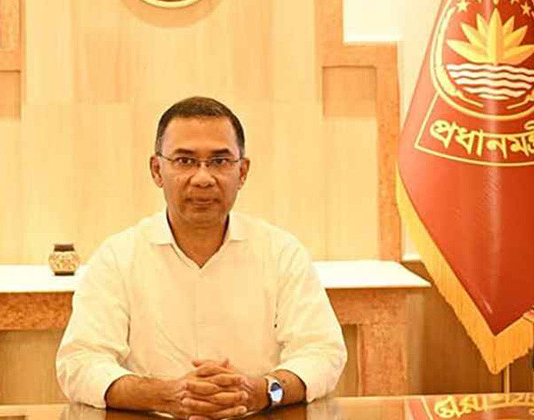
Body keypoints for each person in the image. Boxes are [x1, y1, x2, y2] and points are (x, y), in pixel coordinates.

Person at [56, 97, 347, 419]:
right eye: (185, 161)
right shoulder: (117, 258)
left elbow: (322, 353)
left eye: (220, 161)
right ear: (157, 170)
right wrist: (166, 395)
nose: (203, 178)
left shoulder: (281, 253)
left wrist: (263, 392)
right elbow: (80, 363)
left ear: (242, 171)